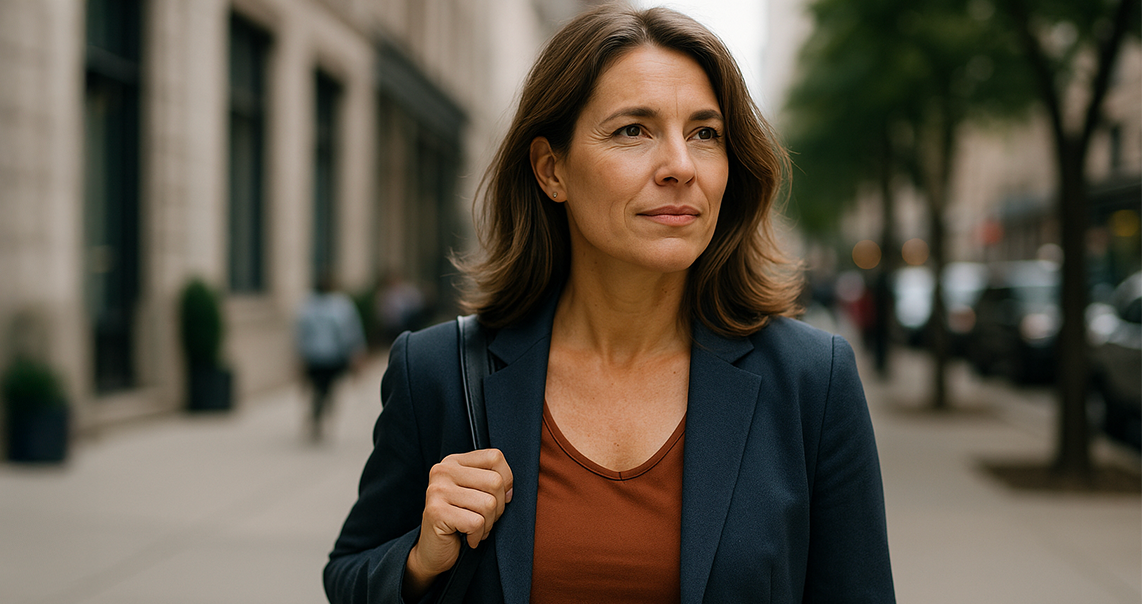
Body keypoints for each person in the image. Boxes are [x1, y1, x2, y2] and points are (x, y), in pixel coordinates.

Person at [323, 5, 893, 604]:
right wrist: (420, 560)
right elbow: (349, 574)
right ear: (552, 170)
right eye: (633, 131)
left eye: (705, 133)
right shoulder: (435, 370)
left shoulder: (812, 381)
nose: (680, 166)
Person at [297, 274, 366, 443]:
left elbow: (301, 333)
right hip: (326, 356)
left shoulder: (310, 305)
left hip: (321, 355)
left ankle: (318, 413)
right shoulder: (340, 305)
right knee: (325, 387)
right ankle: (319, 412)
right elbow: (351, 331)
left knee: (321, 387)